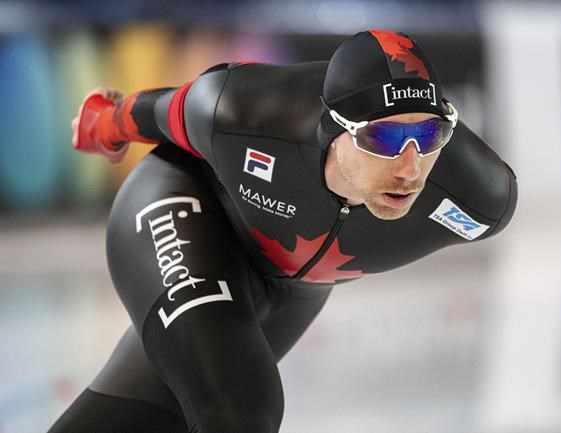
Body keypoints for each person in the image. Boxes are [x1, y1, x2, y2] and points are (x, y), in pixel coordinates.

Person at [49, 29, 517, 433]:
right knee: (240, 407)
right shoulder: (244, 110)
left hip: (295, 288)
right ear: (334, 128)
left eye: (430, 135)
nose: (410, 168)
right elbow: (160, 112)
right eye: (384, 138)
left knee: (155, 411)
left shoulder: (480, 197)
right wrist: (105, 123)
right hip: (189, 203)